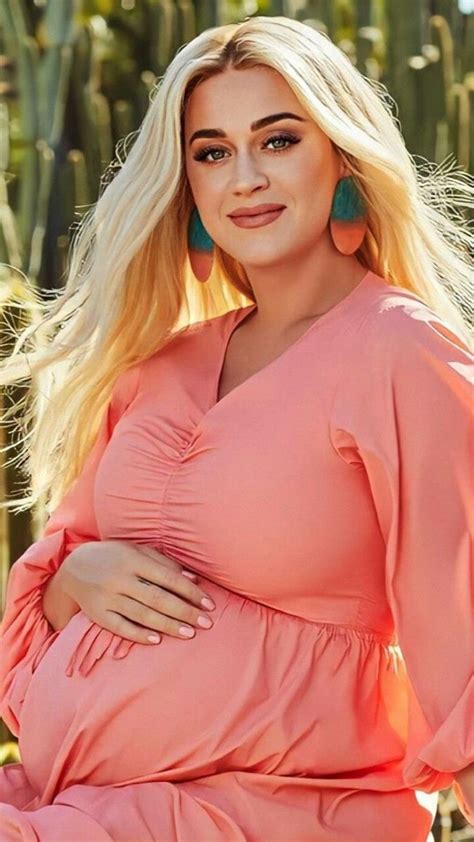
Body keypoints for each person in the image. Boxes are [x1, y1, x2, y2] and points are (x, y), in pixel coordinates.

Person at [0, 15, 472, 842]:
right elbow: (44, 602)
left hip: (278, 810)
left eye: (278, 140)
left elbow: (463, 641)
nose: (244, 177)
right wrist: (79, 580)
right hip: (70, 796)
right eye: (211, 151)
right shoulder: (157, 367)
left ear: (343, 159)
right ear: (187, 186)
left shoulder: (402, 352)